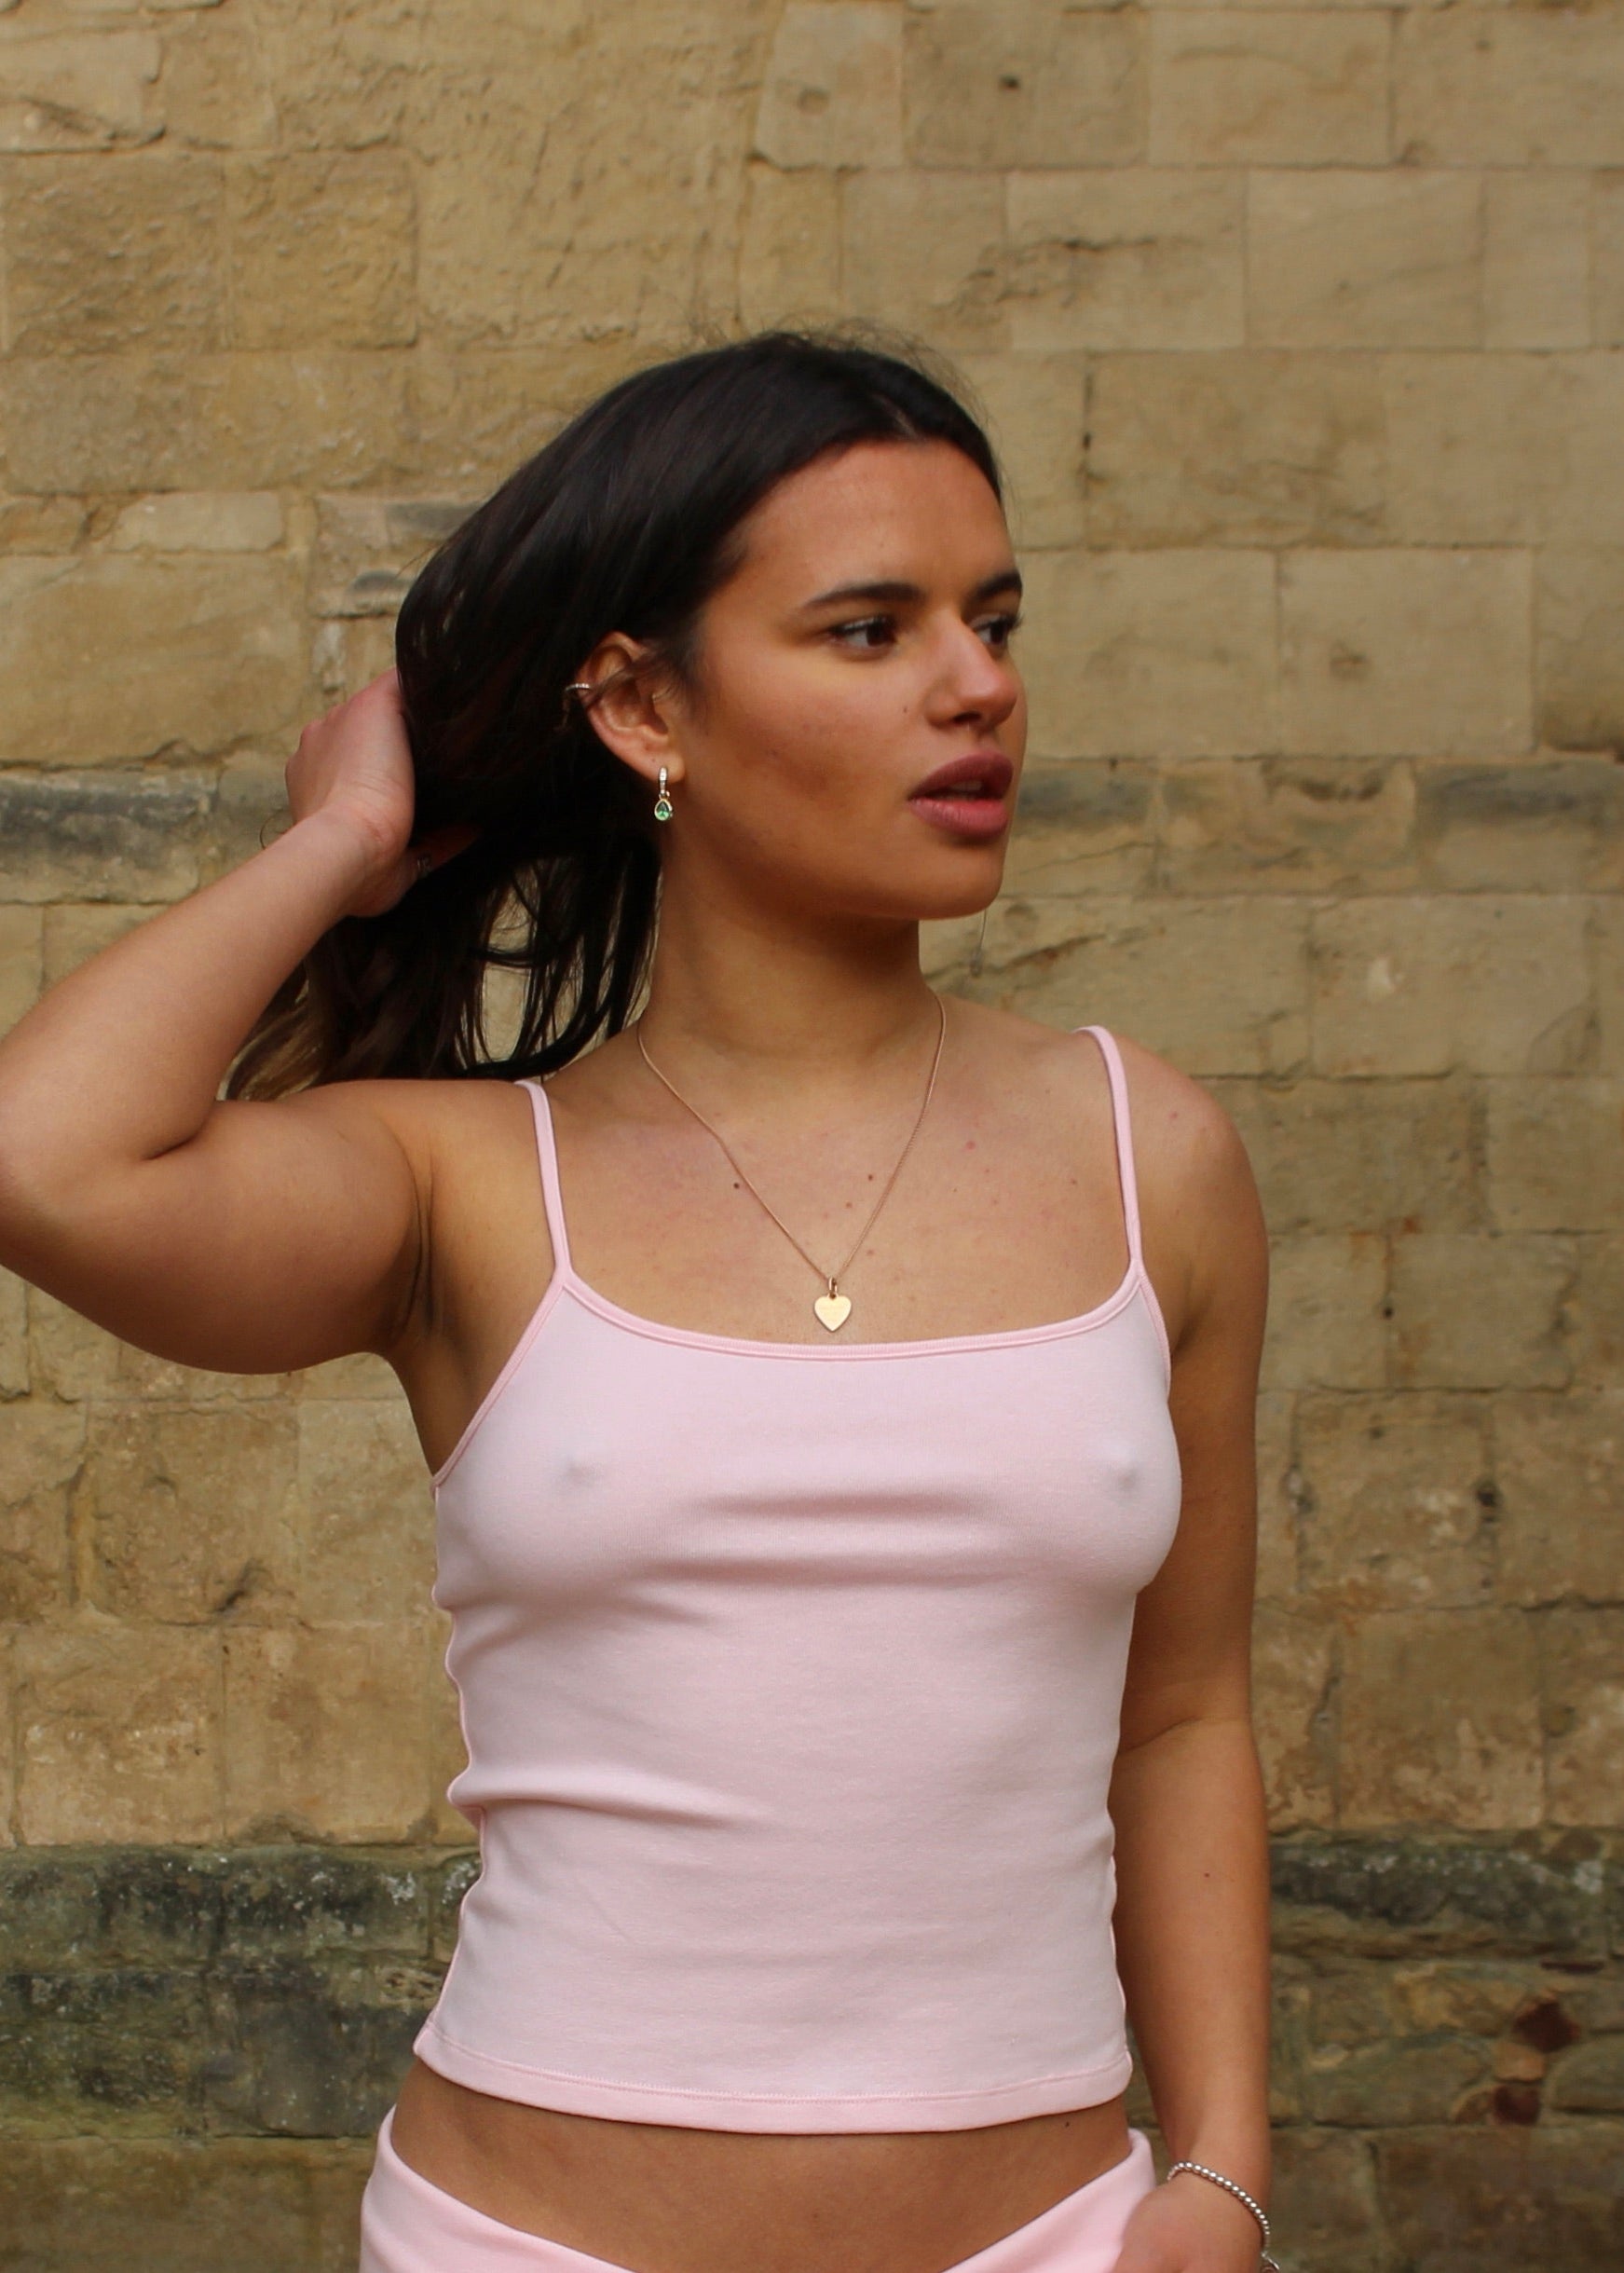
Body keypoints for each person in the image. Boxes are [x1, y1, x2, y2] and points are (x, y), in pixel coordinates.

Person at [0, 333, 1276, 2273]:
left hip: (1051, 2242)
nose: (978, 685)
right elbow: (46, 1162)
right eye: (870, 630)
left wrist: (1221, 2168)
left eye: (994, 620)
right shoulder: (461, 1181)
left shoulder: (1147, 1154)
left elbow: (1180, 1717)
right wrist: (340, 847)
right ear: (641, 705)